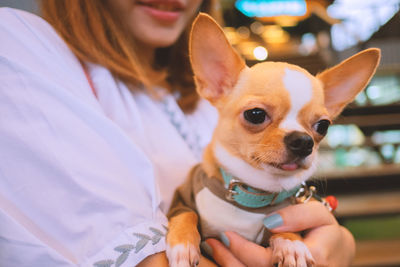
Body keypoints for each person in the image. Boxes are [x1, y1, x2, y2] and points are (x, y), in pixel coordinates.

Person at [0, 1, 355, 266]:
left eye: (319, 126)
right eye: (258, 116)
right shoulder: (20, 45)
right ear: (214, 78)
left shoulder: (208, 105)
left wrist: (337, 244)